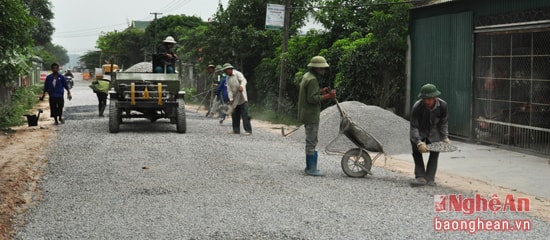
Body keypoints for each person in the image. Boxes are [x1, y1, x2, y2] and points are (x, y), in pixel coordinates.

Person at [297, 56, 337, 176]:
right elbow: (312, 99)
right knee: (311, 140)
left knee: (310, 139)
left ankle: (310, 167)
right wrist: (329, 96)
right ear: (316, 68)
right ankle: (311, 168)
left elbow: (310, 93)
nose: (323, 70)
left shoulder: (307, 76)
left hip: (305, 113)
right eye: (322, 68)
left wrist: (321, 91)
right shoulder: (313, 80)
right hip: (311, 114)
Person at [409, 83, 450, 187]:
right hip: (420, 131)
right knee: (416, 152)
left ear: (434, 97)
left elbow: (443, 122)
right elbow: (414, 126)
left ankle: (430, 178)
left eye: (429, 99)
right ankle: (420, 176)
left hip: (434, 132)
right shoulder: (417, 107)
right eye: (424, 99)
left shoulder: (443, 106)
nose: (426, 101)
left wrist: (445, 137)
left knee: (435, 153)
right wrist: (418, 142)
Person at [222, 63, 252, 135]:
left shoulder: (237, 74)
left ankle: (248, 130)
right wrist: (231, 98)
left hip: (242, 98)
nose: (226, 72)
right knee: (235, 115)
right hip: (235, 99)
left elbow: (244, 80)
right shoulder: (228, 78)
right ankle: (236, 130)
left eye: (226, 70)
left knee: (245, 115)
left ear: (230, 69)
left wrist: (242, 86)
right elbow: (229, 90)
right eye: (225, 71)